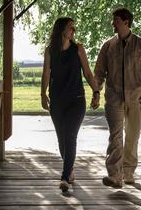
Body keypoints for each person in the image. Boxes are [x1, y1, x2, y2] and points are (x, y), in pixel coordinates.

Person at [92, 8, 141, 188]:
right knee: (115, 135)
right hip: (113, 97)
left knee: (132, 136)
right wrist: (96, 93)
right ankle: (114, 175)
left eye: (116, 21)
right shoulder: (107, 46)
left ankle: (128, 172)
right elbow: (99, 72)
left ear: (126, 22)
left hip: (136, 97)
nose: (113, 24)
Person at [41, 17, 100, 193]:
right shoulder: (50, 51)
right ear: (61, 30)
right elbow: (46, 75)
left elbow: (88, 73)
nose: (73, 31)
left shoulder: (78, 49)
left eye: (74, 28)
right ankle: (70, 171)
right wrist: (42, 94)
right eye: (70, 28)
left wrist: (96, 92)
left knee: (70, 136)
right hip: (57, 101)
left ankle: (65, 177)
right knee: (62, 139)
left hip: (76, 100)